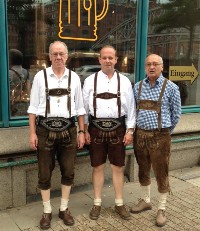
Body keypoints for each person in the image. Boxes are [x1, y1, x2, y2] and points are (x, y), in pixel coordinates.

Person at [28, 41, 86, 230]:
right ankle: (46, 211)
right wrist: (32, 133)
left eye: (61, 53)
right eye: (55, 54)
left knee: (68, 171)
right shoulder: (40, 77)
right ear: (50, 56)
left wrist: (82, 131)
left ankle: (63, 208)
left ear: (67, 56)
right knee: (44, 174)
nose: (58, 57)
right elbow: (33, 108)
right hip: (44, 130)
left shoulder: (75, 78)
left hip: (69, 130)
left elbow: (79, 108)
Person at [82, 45, 136, 220]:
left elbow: (131, 109)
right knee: (97, 167)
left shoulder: (125, 81)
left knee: (117, 167)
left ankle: (119, 204)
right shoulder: (90, 81)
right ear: (99, 60)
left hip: (118, 129)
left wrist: (130, 130)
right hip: (95, 128)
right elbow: (83, 108)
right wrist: (83, 130)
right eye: (104, 57)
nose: (107, 60)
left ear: (116, 60)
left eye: (110, 58)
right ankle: (97, 203)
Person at [130, 54, 181, 227]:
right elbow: (134, 112)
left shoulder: (171, 87)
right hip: (140, 135)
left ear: (162, 66)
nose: (151, 67)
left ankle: (162, 207)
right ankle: (146, 200)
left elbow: (176, 114)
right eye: (148, 64)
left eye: (155, 64)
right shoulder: (137, 87)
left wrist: (164, 132)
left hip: (160, 136)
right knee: (143, 170)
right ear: (145, 67)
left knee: (161, 172)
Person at [9, 49, 31, 116]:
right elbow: (28, 89)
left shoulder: (9, 73)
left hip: (12, 103)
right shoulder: (26, 72)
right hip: (23, 103)